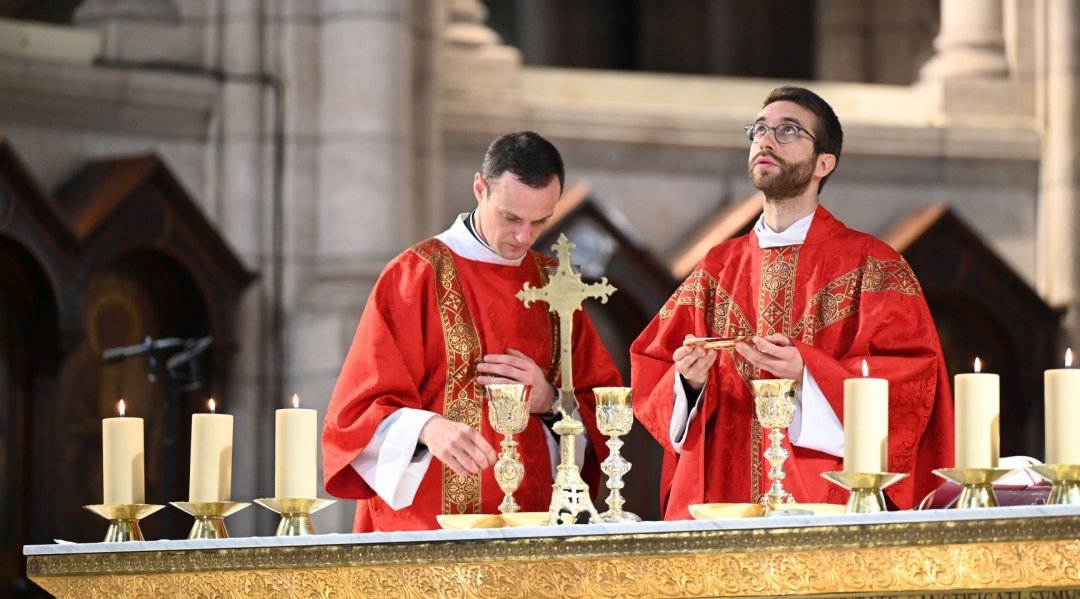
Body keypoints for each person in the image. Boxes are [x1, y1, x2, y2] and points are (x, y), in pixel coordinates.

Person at [631, 86, 953, 517]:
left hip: (824, 505)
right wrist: (688, 384)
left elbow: (912, 389)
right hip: (723, 506)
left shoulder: (874, 266)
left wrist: (809, 374)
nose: (765, 140)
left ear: (824, 162)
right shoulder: (716, 268)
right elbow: (652, 368)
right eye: (759, 129)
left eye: (787, 131)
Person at [323, 131, 622, 531]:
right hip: (429, 531)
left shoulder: (557, 285)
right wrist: (427, 428)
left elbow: (603, 409)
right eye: (511, 218)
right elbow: (354, 415)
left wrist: (550, 400)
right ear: (480, 187)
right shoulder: (415, 276)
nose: (523, 237)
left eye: (539, 222)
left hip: (534, 529)